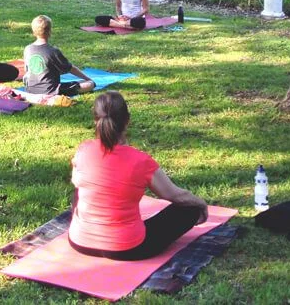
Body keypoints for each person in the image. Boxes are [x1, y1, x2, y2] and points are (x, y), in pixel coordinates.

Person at [68, 91, 209, 261]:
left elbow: (77, 183)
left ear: (95, 120)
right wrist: (201, 204)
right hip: (128, 248)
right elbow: (174, 195)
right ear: (127, 120)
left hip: (79, 242)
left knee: (81, 190)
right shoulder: (140, 161)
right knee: (190, 208)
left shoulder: (83, 150)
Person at [23, 15, 95, 99]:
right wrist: (88, 78)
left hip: (30, 90)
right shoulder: (53, 51)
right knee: (90, 84)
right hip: (50, 91)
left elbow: (26, 70)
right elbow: (71, 69)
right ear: (50, 31)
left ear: (33, 31)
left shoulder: (27, 49)